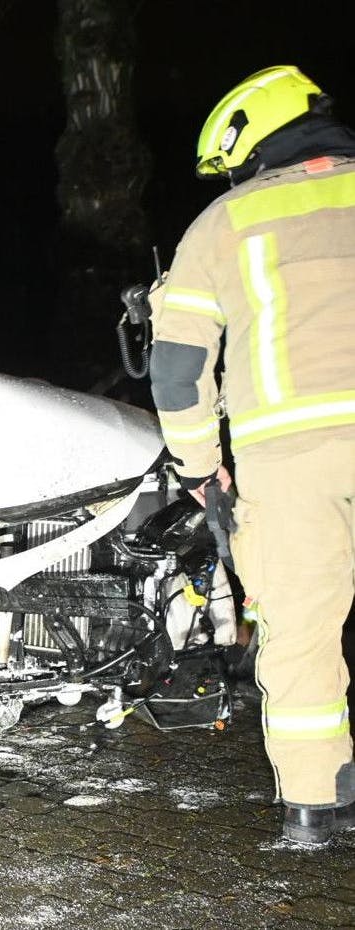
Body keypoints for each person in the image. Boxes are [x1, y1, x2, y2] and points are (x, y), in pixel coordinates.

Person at [146, 65, 355, 846]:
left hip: (286, 459)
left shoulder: (222, 223)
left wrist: (200, 469)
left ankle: (315, 810)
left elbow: (174, 371)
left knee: (299, 634)